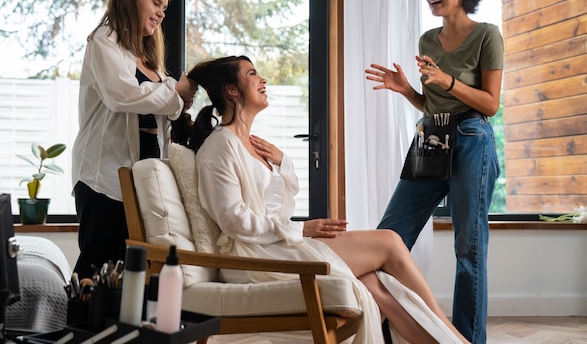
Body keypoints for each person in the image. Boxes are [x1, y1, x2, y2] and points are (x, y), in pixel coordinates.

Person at [172, 55, 469, 343]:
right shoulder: (219, 147)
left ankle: (448, 340)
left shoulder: (250, 145)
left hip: (273, 246)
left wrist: (282, 162)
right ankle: (451, 333)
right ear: (231, 90)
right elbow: (233, 220)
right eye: (252, 74)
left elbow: (280, 207)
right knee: (390, 241)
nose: (262, 79)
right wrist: (302, 229)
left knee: (376, 287)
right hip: (253, 257)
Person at [364, 0, 503, 343]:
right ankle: (380, 326)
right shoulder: (428, 40)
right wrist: (407, 90)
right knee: (389, 236)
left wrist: (449, 82)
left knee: (469, 250)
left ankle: (467, 340)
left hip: (472, 138)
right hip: (431, 135)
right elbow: (433, 104)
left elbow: (490, 105)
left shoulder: (487, 36)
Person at [71, 0, 197, 278]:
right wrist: (174, 94)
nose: (160, 14)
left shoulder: (148, 57)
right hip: (105, 177)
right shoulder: (105, 39)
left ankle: (126, 328)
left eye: (164, 8)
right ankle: (78, 327)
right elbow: (122, 95)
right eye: (156, 3)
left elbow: (164, 105)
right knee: (97, 268)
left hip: (143, 176)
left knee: (134, 271)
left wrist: (179, 100)